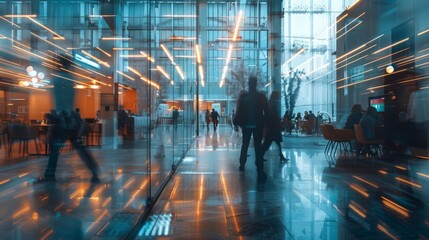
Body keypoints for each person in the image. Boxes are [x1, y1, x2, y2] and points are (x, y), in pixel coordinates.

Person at [35, 55, 100, 183]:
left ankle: (49, 175)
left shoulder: (57, 79)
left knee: (55, 149)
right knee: (80, 147)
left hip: (62, 120)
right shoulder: (71, 79)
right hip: (72, 119)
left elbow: (57, 99)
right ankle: (94, 170)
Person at [234, 76, 268, 190]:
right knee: (257, 147)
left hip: (246, 125)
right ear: (256, 83)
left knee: (245, 144)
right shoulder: (261, 97)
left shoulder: (244, 97)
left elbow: (239, 111)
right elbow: (266, 111)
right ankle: (259, 168)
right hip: (258, 125)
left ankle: (242, 163)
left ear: (249, 84)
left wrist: (237, 122)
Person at [261, 91, 288, 162]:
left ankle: (281, 156)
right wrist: (278, 124)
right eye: (278, 96)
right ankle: (260, 156)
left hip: (272, 127)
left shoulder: (271, 104)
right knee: (267, 144)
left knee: (269, 144)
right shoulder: (272, 105)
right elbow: (272, 117)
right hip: (273, 128)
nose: (279, 97)